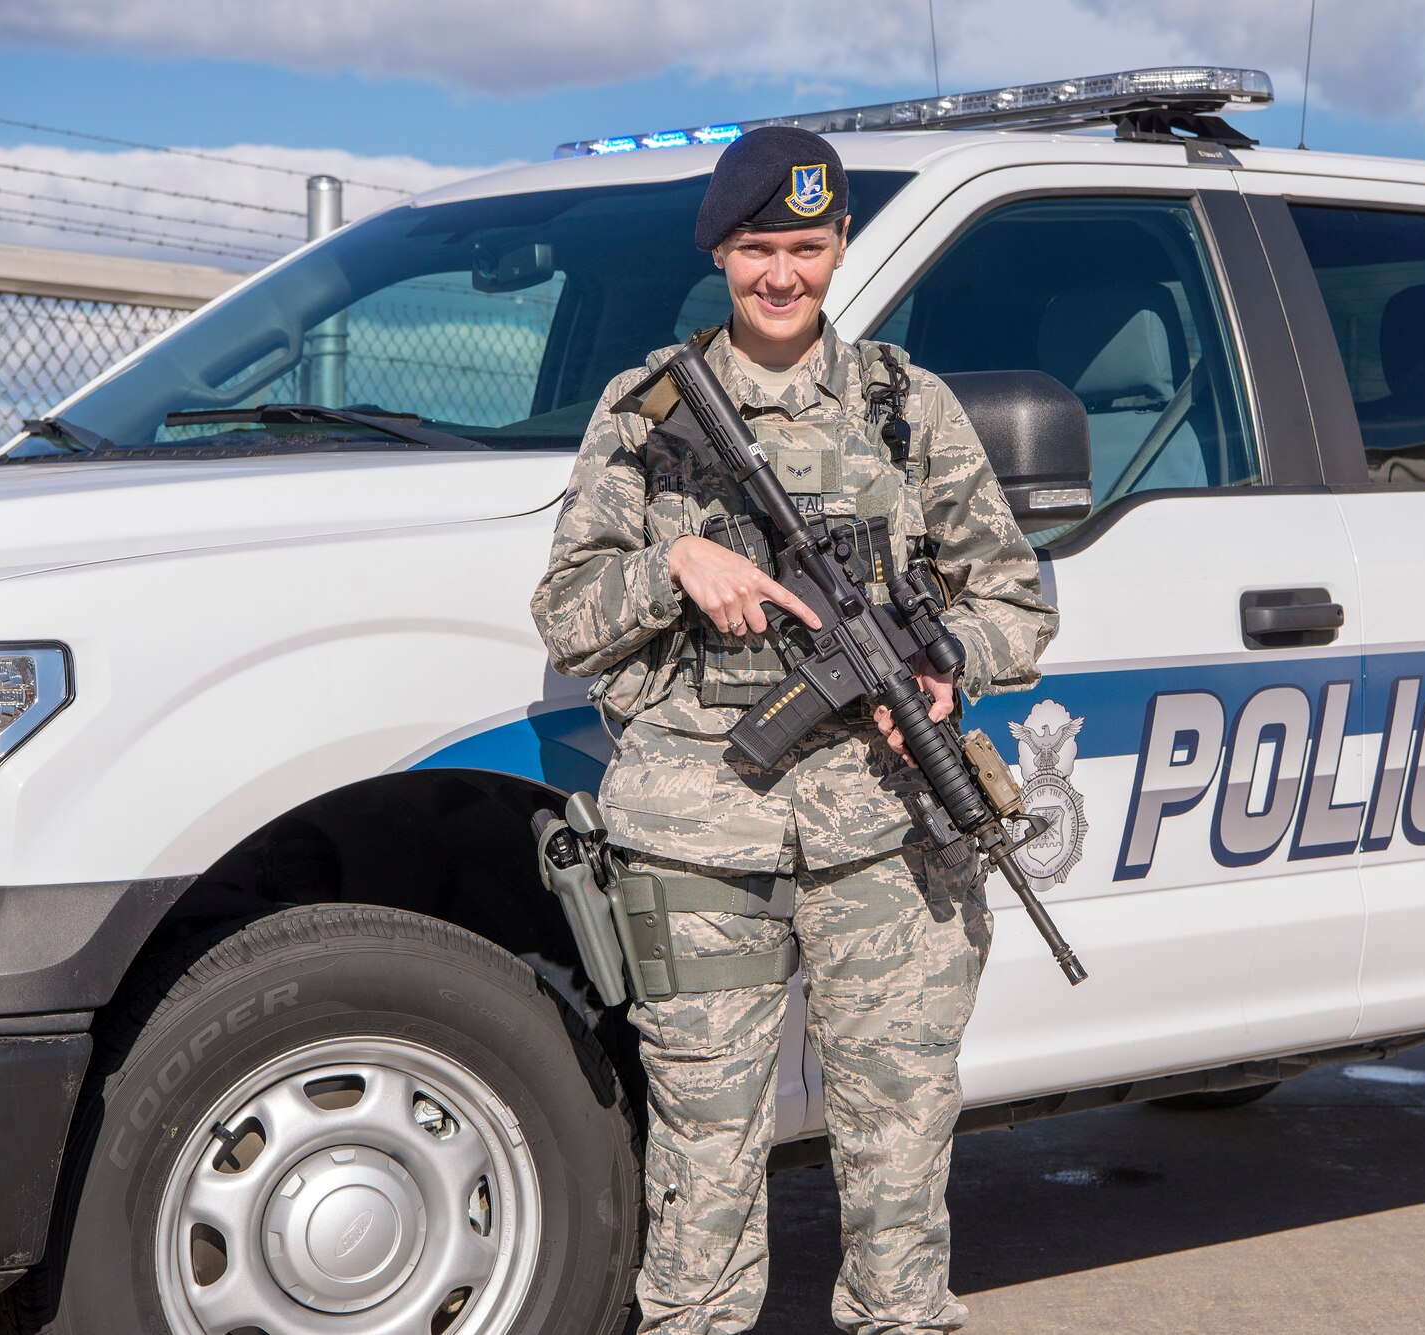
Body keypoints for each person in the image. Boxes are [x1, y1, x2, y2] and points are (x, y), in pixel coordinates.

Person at [531, 125, 1057, 1334]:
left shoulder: (902, 405)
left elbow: (1014, 602)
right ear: (721, 251)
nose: (783, 275)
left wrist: (946, 667)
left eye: (806, 248)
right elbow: (566, 614)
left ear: (838, 249)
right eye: (759, 247)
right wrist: (675, 562)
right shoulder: (650, 408)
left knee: (899, 1147)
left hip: (889, 838)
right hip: (697, 843)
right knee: (705, 1159)